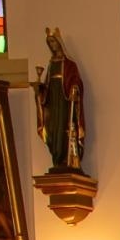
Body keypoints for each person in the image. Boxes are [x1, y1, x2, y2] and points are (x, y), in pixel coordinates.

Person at [34, 27, 85, 171]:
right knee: (52, 130)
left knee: (64, 129)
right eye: (50, 43)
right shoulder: (51, 64)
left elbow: (76, 81)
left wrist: (74, 88)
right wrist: (39, 90)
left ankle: (65, 158)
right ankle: (57, 158)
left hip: (64, 103)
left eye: (54, 42)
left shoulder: (69, 64)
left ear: (59, 42)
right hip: (53, 103)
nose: (53, 45)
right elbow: (47, 87)